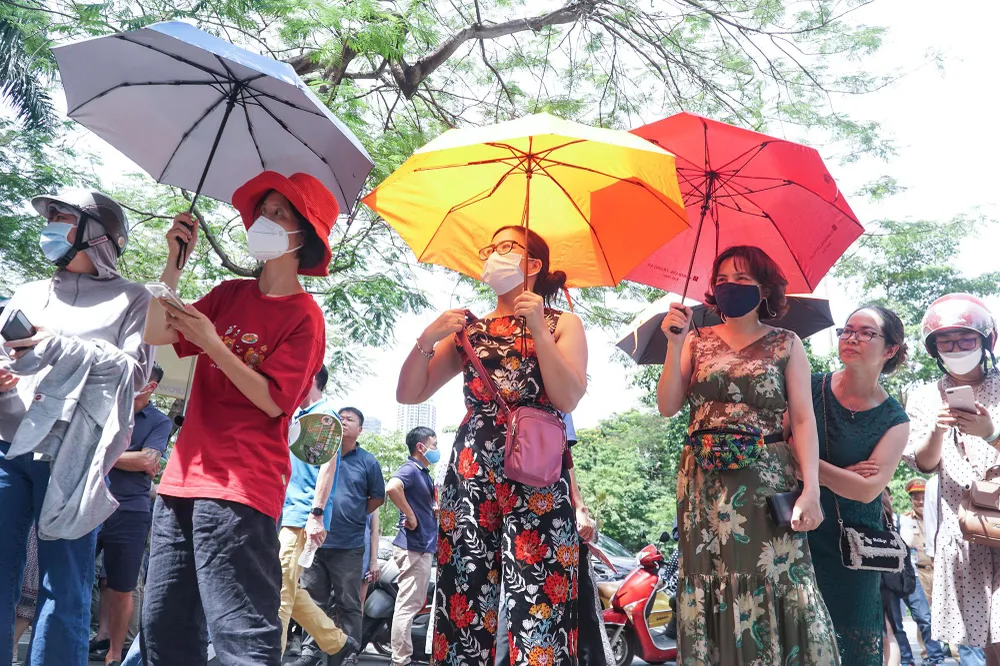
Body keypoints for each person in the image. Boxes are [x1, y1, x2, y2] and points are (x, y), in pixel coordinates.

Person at [141, 171, 334, 665]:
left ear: (302, 235)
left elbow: (273, 399)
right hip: (181, 481)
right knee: (163, 625)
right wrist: (173, 265)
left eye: (278, 214)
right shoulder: (228, 294)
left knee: (241, 632)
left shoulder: (304, 315)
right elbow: (158, 332)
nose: (262, 221)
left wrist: (212, 343)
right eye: (262, 212)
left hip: (242, 487)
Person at [398, 226, 588, 666]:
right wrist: (427, 339)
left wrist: (539, 327)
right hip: (473, 468)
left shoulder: (564, 322)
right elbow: (410, 393)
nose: (495, 255)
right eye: (493, 248)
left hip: (537, 467)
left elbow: (567, 398)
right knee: (464, 588)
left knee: (541, 594)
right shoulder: (469, 330)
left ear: (534, 265)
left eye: (508, 248)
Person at [656, 245, 838, 663]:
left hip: (765, 479)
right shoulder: (695, 341)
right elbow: (667, 406)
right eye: (722, 279)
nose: (730, 286)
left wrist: (810, 489)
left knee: (769, 574)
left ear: (764, 289)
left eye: (742, 279)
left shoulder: (786, 343)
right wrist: (673, 344)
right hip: (703, 482)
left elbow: (804, 421)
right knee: (709, 576)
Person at [0, 190, 152, 665]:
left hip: (75, 458)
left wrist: (58, 345)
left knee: (64, 587)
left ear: (98, 232)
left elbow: (135, 374)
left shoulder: (134, 298)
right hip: (7, 447)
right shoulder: (27, 291)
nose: (52, 227)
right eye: (52, 218)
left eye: (64, 218)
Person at [802, 306, 914, 665]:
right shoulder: (810, 386)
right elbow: (776, 449)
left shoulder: (895, 419)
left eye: (865, 332)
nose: (851, 337)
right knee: (798, 642)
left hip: (855, 547)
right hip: (798, 535)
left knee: (853, 649)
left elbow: (868, 490)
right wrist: (842, 474)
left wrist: (806, 461)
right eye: (847, 330)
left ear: (890, 349)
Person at [903, 293, 1000, 666]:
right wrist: (938, 431)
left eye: (965, 339)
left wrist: (991, 433)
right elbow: (924, 464)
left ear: (985, 341)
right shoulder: (925, 396)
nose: (956, 348)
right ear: (934, 348)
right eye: (946, 341)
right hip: (965, 536)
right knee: (985, 644)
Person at [89, 363, 171, 665]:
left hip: (131, 510)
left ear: (152, 386)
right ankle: (89, 640)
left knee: (123, 584)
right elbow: (140, 460)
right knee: (79, 577)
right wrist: (131, 459)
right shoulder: (108, 405)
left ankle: (114, 655)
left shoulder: (159, 422)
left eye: (141, 378)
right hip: (90, 503)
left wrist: (99, 453)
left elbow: (149, 460)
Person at [278, 366, 359, 659]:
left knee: (281, 594)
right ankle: (336, 642)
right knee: (288, 587)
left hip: (301, 514)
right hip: (286, 512)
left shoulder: (325, 417)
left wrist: (316, 514)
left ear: (310, 378)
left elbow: (328, 466)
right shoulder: (298, 416)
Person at [295, 407, 385, 666]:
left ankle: (350, 654)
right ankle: (309, 654)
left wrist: (354, 515)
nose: (343, 422)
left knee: (349, 603)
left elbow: (377, 497)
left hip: (349, 545)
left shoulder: (368, 461)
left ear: (360, 429)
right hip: (315, 541)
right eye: (340, 418)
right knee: (312, 600)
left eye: (350, 420)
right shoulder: (318, 454)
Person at [386, 426, 439, 666]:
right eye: (434, 445)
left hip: (421, 546)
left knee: (412, 604)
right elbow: (392, 487)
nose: (436, 450)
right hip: (413, 547)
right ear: (421, 447)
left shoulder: (423, 472)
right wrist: (411, 515)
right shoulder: (410, 469)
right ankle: (401, 660)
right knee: (407, 606)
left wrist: (428, 511)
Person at [897, 477, 948, 665]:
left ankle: (957, 653)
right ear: (911, 499)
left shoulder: (940, 517)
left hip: (941, 570)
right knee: (923, 616)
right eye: (915, 498)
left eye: (923, 497)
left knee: (948, 612)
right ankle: (928, 653)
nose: (920, 501)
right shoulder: (905, 520)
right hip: (919, 572)